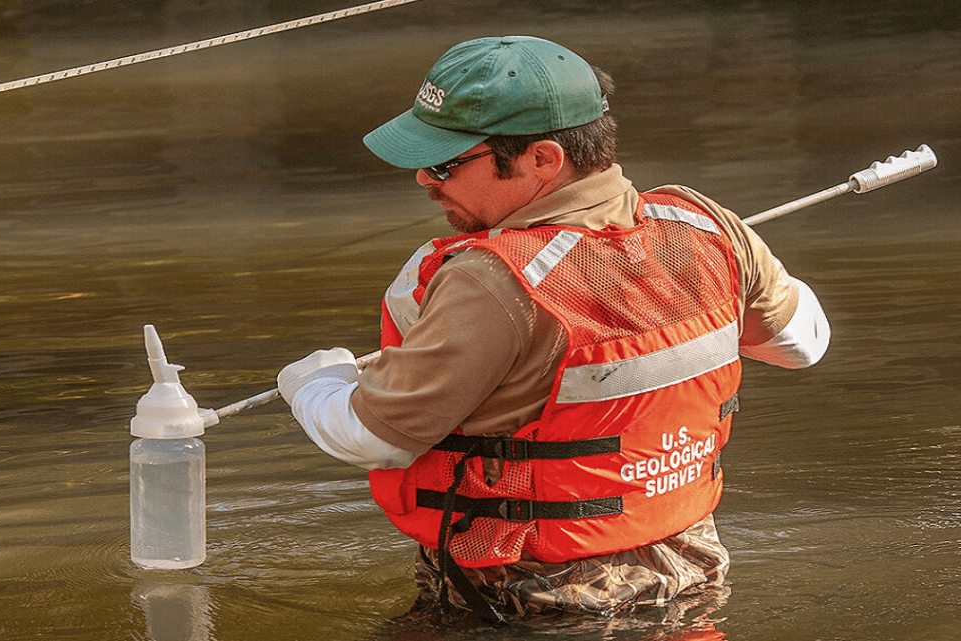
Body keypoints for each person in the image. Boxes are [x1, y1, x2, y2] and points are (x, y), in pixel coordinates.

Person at [276, 35, 829, 623]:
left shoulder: (491, 280)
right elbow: (804, 345)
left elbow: (373, 438)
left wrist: (315, 382)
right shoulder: (708, 227)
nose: (423, 179)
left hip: (528, 602)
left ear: (543, 159)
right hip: (689, 573)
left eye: (445, 163)